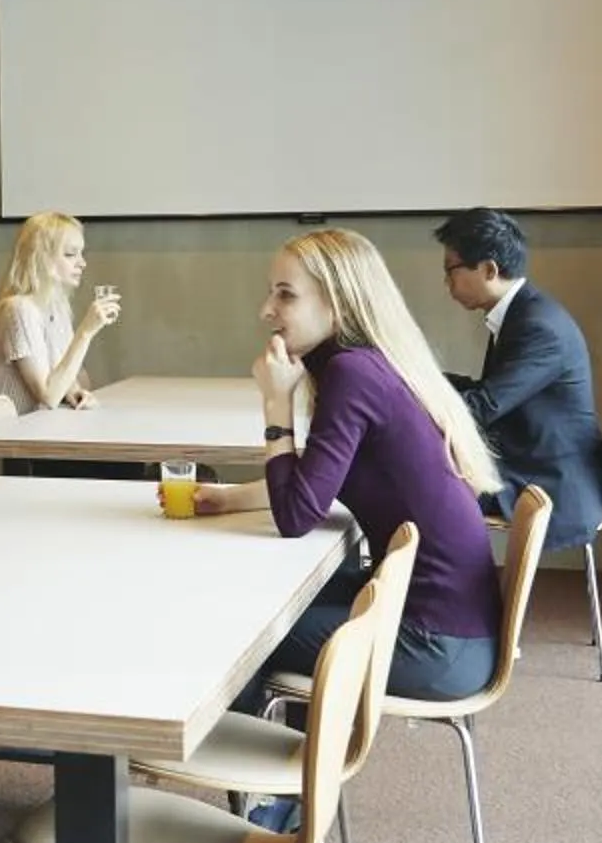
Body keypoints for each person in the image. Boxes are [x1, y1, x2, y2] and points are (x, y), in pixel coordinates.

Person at [183, 230, 505, 722]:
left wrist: (276, 405)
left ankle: (274, 796)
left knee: (240, 634)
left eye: (285, 295)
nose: (266, 311)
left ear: (336, 305)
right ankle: (289, 782)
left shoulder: (352, 374)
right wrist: (226, 500)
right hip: (448, 624)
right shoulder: (371, 365)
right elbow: (319, 480)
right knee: (262, 602)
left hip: (436, 644)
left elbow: (297, 515)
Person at [434, 208, 602, 546]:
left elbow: (484, 406)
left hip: (551, 481)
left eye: (451, 271)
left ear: (489, 269)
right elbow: (490, 394)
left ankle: (450, 588)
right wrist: (423, 380)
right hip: (532, 460)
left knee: (424, 481)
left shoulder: (539, 327)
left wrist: (411, 402)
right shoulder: (523, 312)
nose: (446, 283)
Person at [0, 211, 122, 416]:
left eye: (81, 253)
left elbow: (66, 382)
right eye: (70, 254)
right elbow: (49, 396)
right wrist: (85, 332)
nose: (82, 263)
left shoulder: (57, 308)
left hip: (28, 430)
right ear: (42, 259)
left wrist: (78, 393)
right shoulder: (18, 309)